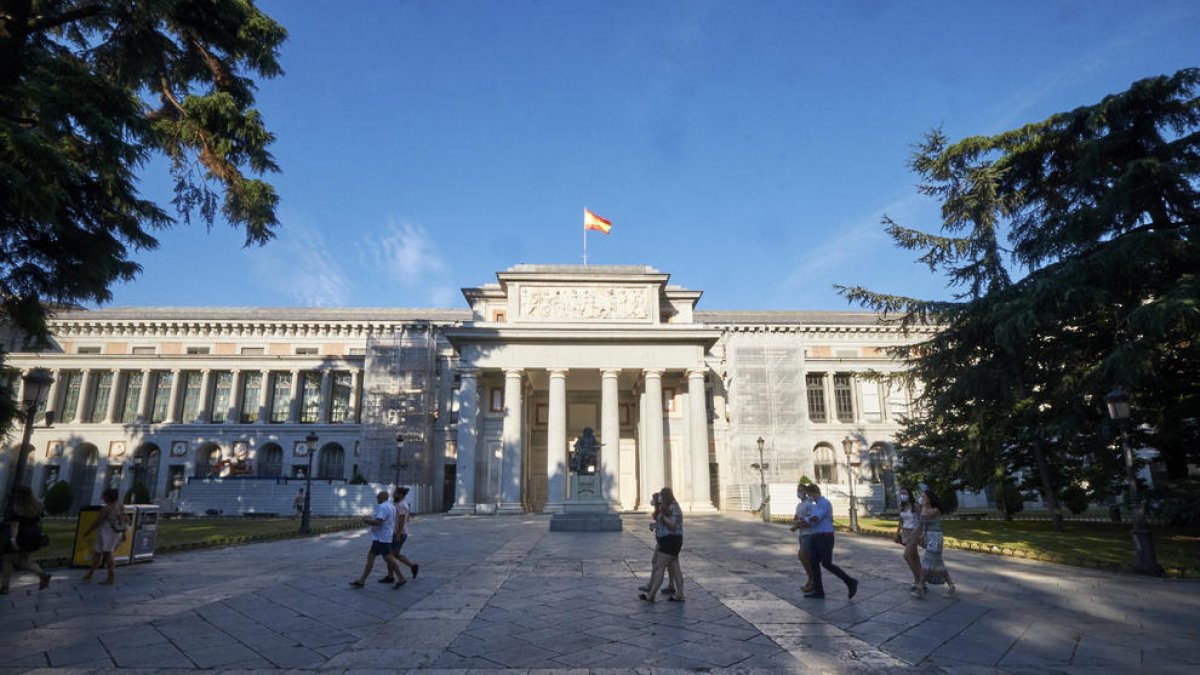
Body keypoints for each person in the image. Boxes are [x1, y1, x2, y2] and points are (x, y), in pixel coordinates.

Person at [799, 483, 858, 600]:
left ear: (814, 492)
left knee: (827, 563)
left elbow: (816, 518)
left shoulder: (824, 503)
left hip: (825, 536)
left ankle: (850, 581)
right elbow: (812, 518)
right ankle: (818, 591)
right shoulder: (816, 506)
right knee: (814, 563)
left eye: (809, 494)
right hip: (815, 535)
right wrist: (804, 521)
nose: (808, 496)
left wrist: (805, 521)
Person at [1, 486, 52, 594]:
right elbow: (41, 518)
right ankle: (43, 574)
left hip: (20, 535)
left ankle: (5, 587)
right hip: (33, 535)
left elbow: (15, 525)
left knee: (8, 560)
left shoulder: (17, 507)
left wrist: (13, 540)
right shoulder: (37, 505)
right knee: (24, 560)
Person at [350, 490, 404, 589]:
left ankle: (401, 578)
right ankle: (362, 580)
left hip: (381, 538)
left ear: (383, 498)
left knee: (388, 558)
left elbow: (378, 522)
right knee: (371, 557)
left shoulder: (383, 507)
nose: (377, 499)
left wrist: (366, 521)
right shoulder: (391, 506)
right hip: (382, 537)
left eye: (378, 497)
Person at [638, 487, 684, 603]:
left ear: (665, 496)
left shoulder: (673, 507)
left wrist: (663, 517)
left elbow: (673, 525)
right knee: (675, 568)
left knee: (659, 567)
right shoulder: (668, 506)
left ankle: (651, 595)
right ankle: (679, 594)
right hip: (671, 540)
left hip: (670, 541)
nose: (659, 497)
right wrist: (656, 524)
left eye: (661, 495)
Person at [915, 489, 956, 598]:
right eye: (921, 497)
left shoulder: (935, 510)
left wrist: (923, 506)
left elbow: (926, 515)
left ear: (929, 499)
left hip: (936, 538)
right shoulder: (925, 508)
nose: (921, 499)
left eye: (924, 497)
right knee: (938, 563)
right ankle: (951, 586)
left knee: (926, 561)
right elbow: (921, 520)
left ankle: (920, 587)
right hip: (929, 538)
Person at [82, 487, 127, 585]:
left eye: (103, 495)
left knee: (107, 554)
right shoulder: (120, 505)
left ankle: (111, 576)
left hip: (108, 533)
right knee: (97, 552)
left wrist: (88, 531)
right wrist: (124, 533)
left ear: (107, 497)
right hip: (113, 533)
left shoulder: (106, 509)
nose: (102, 497)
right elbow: (124, 520)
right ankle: (90, 573)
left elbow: (97, 522)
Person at [378, 487, 419, 584]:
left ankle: (391, 576)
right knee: (395, 554)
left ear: (400, 495)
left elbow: (401, 520)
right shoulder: (398, 504)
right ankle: (412, 566)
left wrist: (398, 534)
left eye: (395, 493)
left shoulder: (401, 505)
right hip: (397, 533)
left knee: (389, 555)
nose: (393, 494)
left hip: (398, 534)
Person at [788, 483, 816, 593]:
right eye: (798, 490)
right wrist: (797, 523)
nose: (799, 493)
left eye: (801, 490)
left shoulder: (810, 505)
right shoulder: (799, 506)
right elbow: (795, 518)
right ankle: (811, 579)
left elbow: (810, 521)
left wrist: (797, 525)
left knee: (803, 555)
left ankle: (812, 580)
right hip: (802, 534)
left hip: (809, 534)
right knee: (804, 558)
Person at [895, 487, 923, 594]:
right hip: (905, 533)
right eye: (901, 493)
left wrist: (918, 532)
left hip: (914, 532)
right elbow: (901, 521)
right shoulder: (901, 507)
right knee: (914, 557)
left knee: (907, 556)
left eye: (905, 493)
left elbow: (921, 520)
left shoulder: (915, 506)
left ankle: (918, 580)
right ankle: (920, 580)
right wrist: (897, 533)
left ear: (909, 494)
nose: (903, 495)